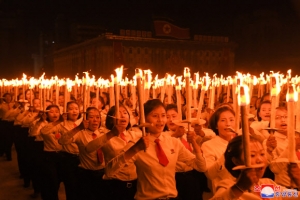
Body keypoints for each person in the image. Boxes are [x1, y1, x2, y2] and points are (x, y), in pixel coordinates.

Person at [106, 99, 206, 199]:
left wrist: (194, 142)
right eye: (155, 116)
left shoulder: (173, 142)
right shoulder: (138, 144)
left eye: (163, 115)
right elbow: (110, 170)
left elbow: (201, 167)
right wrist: (135, 149)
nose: (160, 120)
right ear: (144, 119)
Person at [210, 135, 300, 199]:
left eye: (262, 154)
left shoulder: (265, 186)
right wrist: (240, 187)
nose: (259, 160)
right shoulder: (228, 185)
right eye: (252, 155)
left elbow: (294, 195)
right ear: (236, 161)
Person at [85, 105, 142, 200]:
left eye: (125, 113)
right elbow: (89, 148)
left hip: (135, 184)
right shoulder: (105, 134)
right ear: (111, 118)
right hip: (115, 184)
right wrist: (111, 134)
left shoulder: (134, 134)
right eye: (118, 113)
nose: (123, 115)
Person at [59, 107, 108, 200]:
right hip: (86, 174)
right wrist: (78, 128)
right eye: (91, 117)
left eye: (97, 117)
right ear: (85, 118)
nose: (95, 120)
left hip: (102, 173)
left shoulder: (104, 132)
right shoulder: (80, 133)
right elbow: (62, 141)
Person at [165, 104, 212, 200]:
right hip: (175, 177)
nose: (171, 119)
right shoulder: (164, 135)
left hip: (193, 174)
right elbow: (163, 145)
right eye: (167, 117)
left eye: (174, 116)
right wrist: (174, 135)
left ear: (181, 117)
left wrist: (200, 133)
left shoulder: (189, 132)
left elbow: (211, 137)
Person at [41, 101, 82, 200]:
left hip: (82, 159)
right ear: (66, 111)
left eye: (76, 108)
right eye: (71, 109)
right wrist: (59, 120)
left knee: (80, 188)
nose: (74, 111)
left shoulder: (83, 122)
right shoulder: (63, 123)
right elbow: (44, 131)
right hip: (67, 158)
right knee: (70, 187)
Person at [201, 105, 237, 193]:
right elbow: (210, 174)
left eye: (231, 120)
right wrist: (226, 154)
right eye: (223, 120)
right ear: (216, 125)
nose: (228, 124)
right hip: (224, 192)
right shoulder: (209, 145)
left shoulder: (243, 142)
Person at [40, 105, 63, 200]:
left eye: (57, 111)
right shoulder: (45, 124)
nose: (54, 114)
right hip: (50, 155)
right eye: (51, 111)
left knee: (58, 181)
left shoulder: (63, 125)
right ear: (47, 114)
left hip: (62, 155)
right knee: (51, 182)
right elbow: (43, 131)